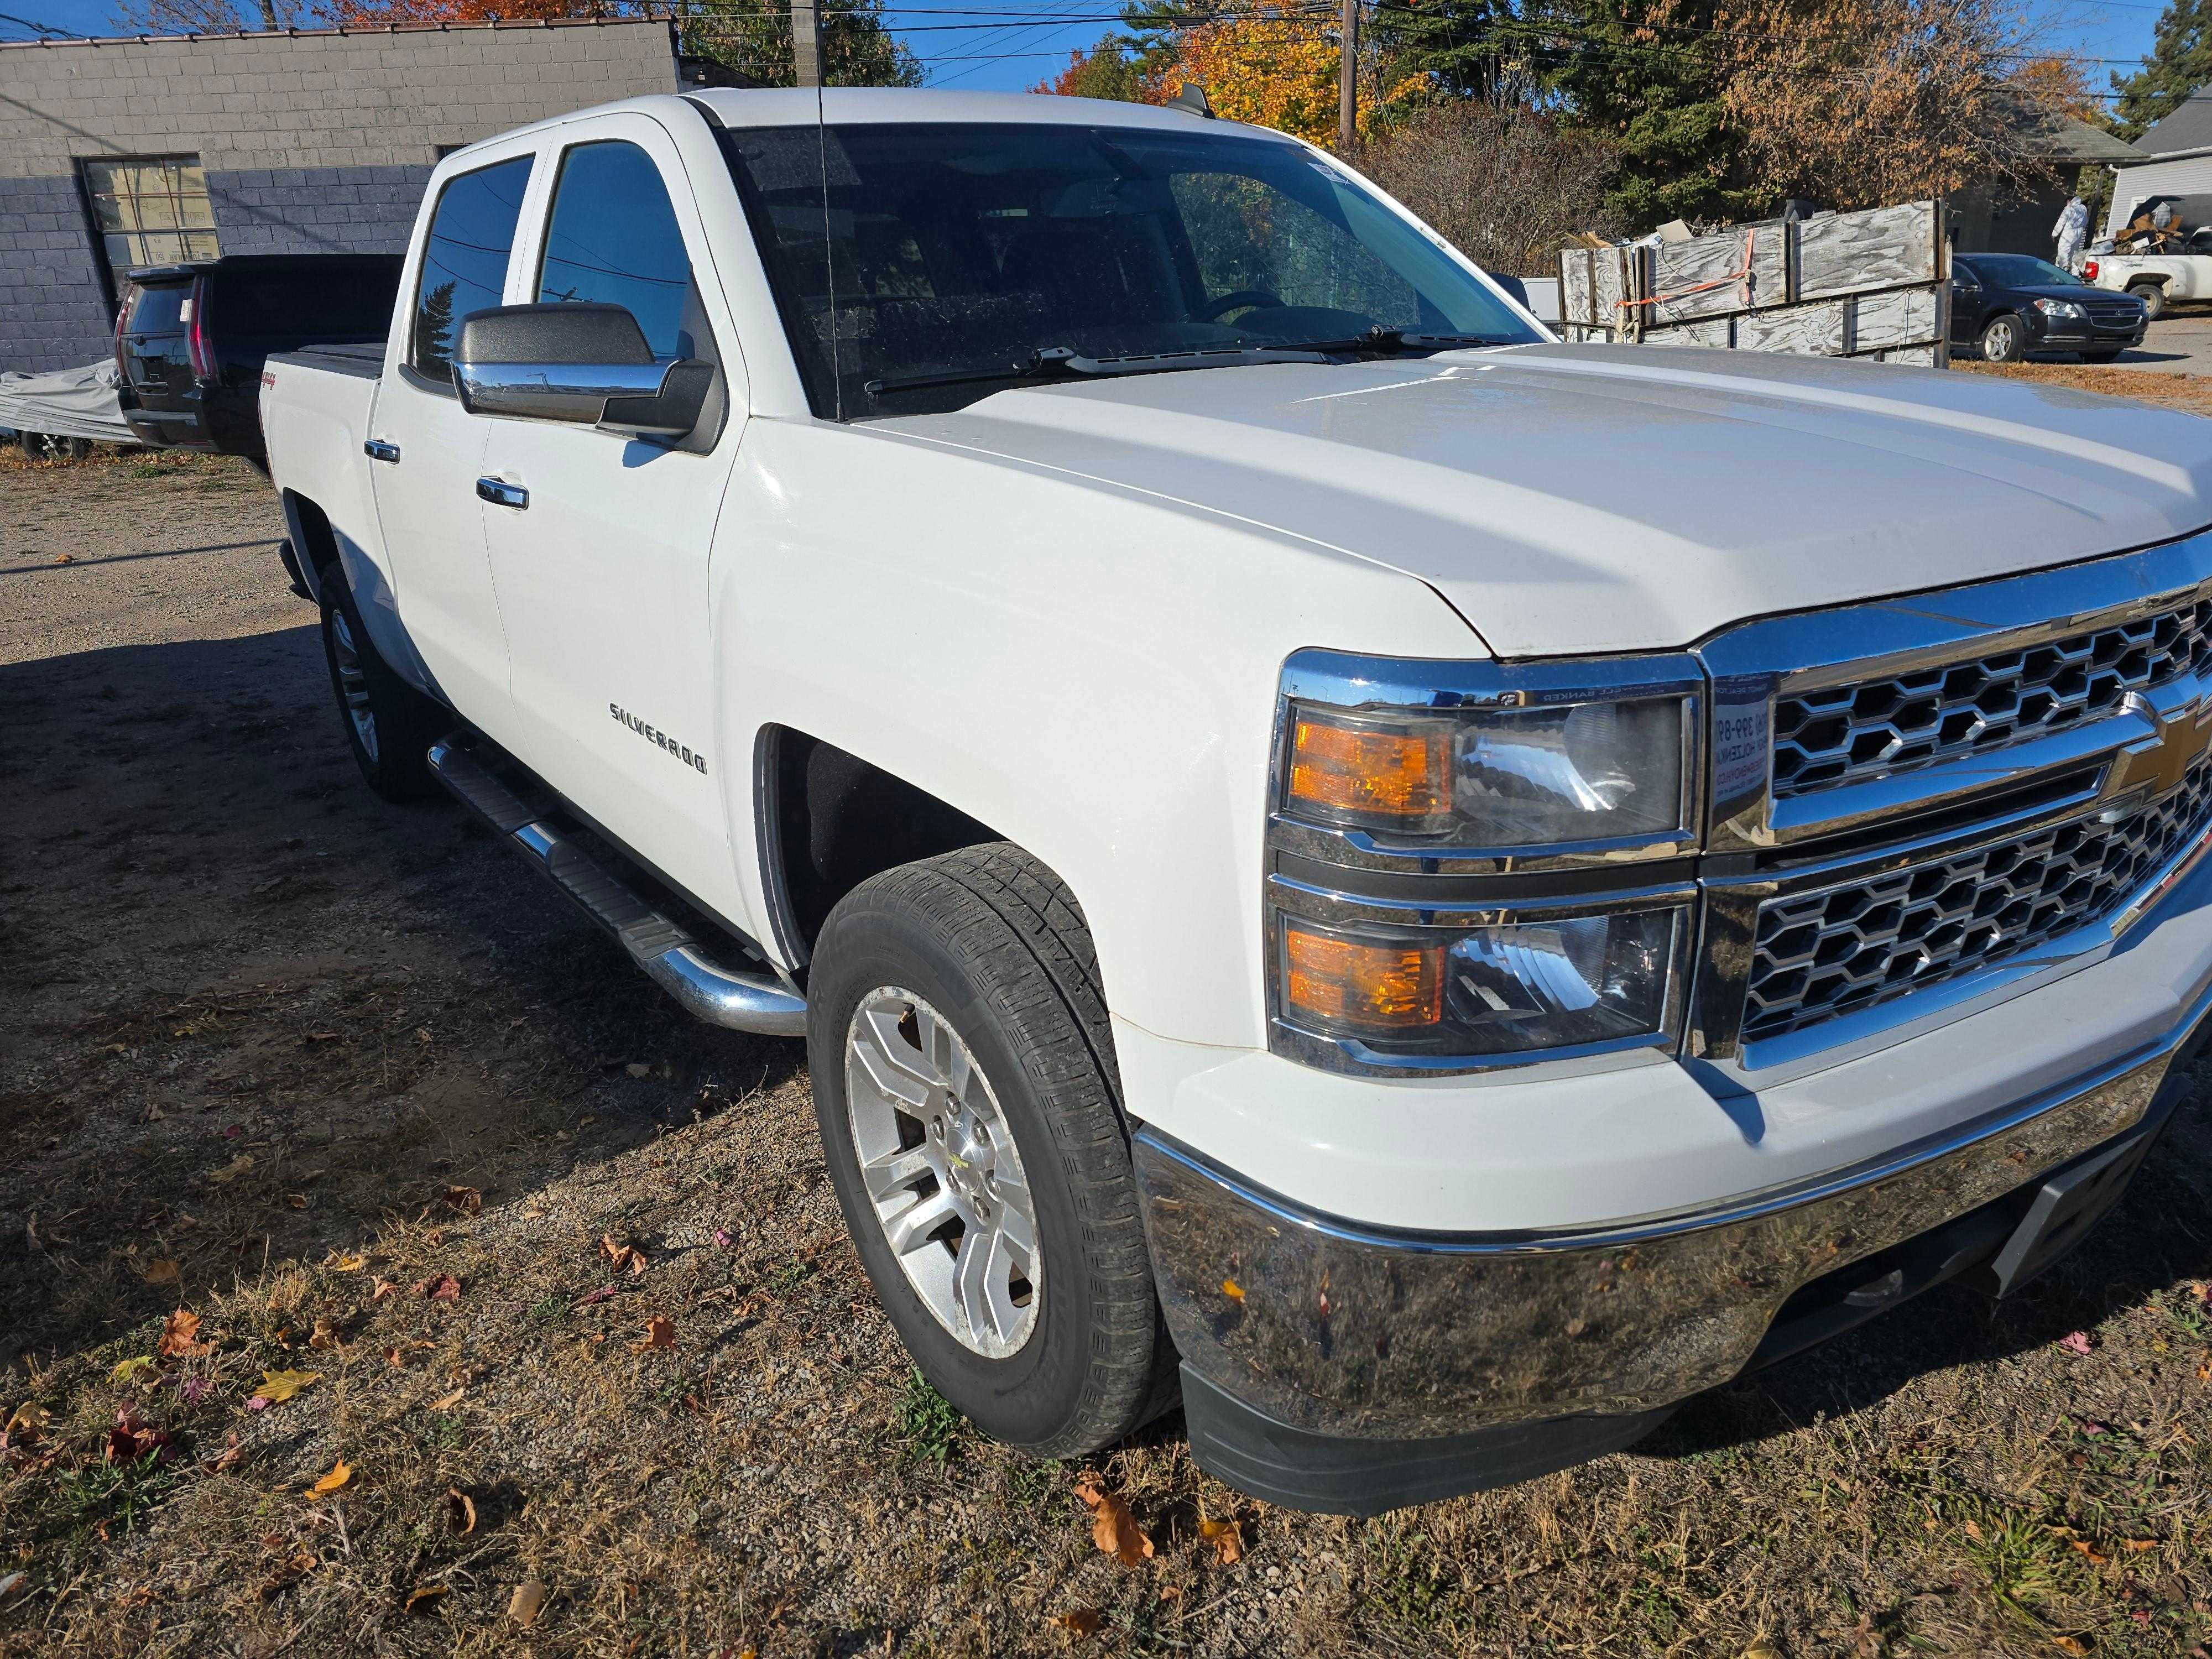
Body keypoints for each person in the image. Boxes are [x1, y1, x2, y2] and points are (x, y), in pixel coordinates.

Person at [2054, 194, 2091, 273]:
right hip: (2079, 234)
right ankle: (2075, 274)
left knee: (2063, 254)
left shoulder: (2069, 209)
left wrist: (2054, 234)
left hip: (2068, 233)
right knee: (2074, 255)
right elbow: (2086, 221)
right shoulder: (2083, 208)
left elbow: (2061, 222)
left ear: (2069, 201)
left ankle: (2060, 274)